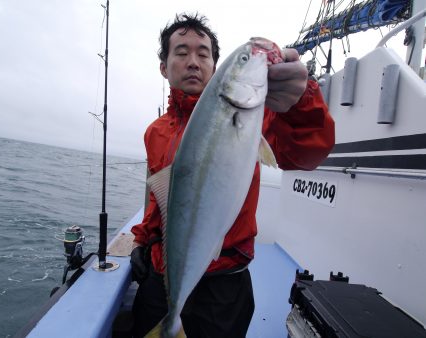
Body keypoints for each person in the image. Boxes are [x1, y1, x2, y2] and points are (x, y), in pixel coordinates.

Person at [130, 13, 335, 338]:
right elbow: (159, 199)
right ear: (164, 66)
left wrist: (300, 101)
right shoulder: (154, 132)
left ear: (215, 67)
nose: (193, 62)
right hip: (164, 274)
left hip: (225, 283)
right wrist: (141, 240)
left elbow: (308, 153)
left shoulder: (257, 113)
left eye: (203, 53)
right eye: (181, 53)